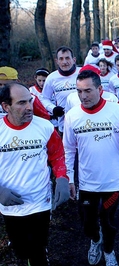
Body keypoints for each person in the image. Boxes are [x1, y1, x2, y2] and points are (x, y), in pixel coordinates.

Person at [63, 69, 119, 266]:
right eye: (79, 91)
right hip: (87, 183)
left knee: (108, 221)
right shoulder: (72, 116)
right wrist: (69, 179)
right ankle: (95, 239)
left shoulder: (116, 110)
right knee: (87, 224)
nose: (83, 96)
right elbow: (67, 150)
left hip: (113, 181)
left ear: (100, 89)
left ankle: (109, 250)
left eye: (88, 91)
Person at [0, 82, 70, 266]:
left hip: (40, 202)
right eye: (21, 103)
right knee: (22, 250)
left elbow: (57, 155)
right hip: (10, 205)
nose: (29, 107)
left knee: (38, 251)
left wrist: (62, 178)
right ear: (6, 106)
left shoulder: (44, 126)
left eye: (30, 101)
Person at [41, 46, 81, 133]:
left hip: (84, 120)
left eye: (67, 58)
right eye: (61, 59)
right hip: (64, 124)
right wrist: (53, 109)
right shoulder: (51, 78)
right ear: (57, 61)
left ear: (74, 60)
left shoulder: (83, 73)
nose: (64, 62)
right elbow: (44, 98)